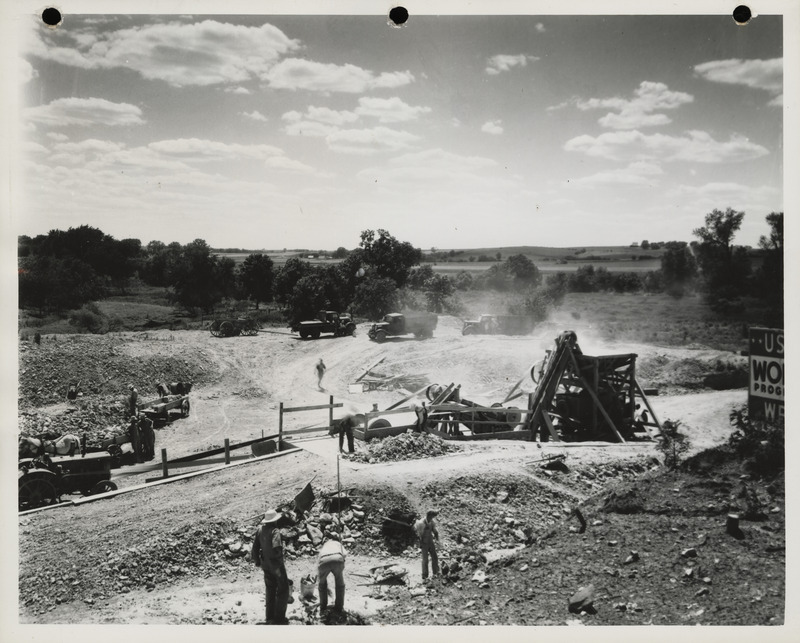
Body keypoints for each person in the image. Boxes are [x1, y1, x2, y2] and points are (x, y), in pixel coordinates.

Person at [251, 510, 290, 625]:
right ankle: (279, 619)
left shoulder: (260, 530)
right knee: (283, 590)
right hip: (275, 566)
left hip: (265, 565)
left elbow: (254, 548)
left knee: (270, 590)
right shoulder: (275, 531)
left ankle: (269, 617)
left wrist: (257, 561)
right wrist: (278, 565)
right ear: (275, 521)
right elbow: (277, 548)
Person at [317, 534, 346, 614]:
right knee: (340, 583)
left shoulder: (325, 545)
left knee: (322, 584)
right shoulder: (338, 544)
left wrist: (320, 577)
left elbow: (319, 559)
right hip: (337, 558)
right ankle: (339, 607)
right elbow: (345, 554)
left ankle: (323, 607)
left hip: (324, 560)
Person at [414, 510, 440, 581]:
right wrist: (420, 544)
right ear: (428, 515)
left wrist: (437, 541)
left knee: (435, 557)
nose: (432, 518)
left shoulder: (432, 522)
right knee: (425, 560)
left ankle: (436, 573)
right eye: (432, 516)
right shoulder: (421, 523)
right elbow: (418, 535)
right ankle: (425, 576)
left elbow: (435, 531)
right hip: (424, 543)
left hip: (430, 542)